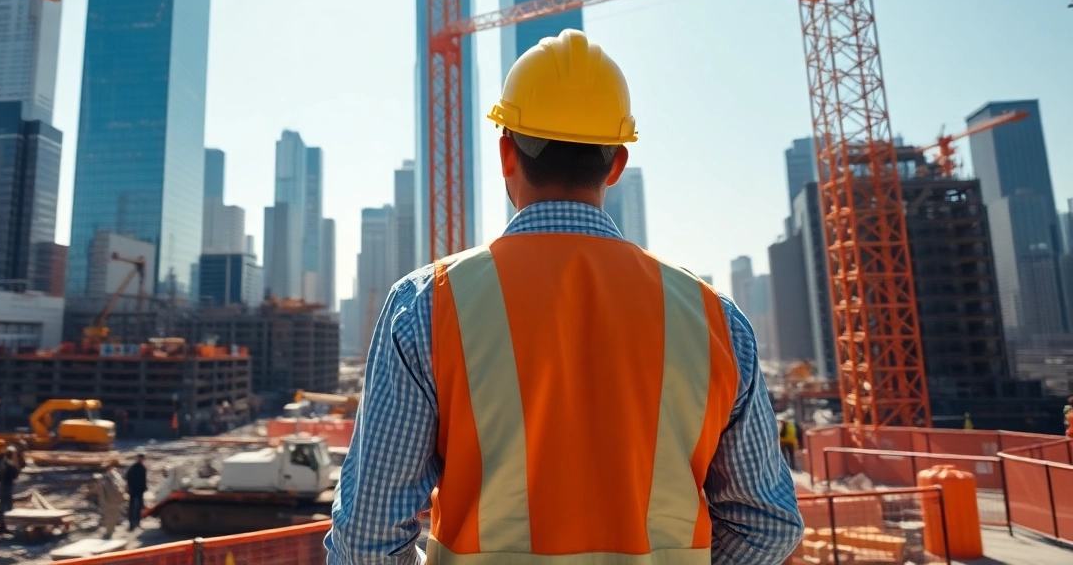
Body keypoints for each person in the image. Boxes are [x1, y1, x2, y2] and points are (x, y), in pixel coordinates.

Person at [325, 30, 803, 565]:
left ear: (506, 153)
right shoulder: (717, 320)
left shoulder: (426, 306)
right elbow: (768, 525)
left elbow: (366, 541)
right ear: (617, 164)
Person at [96, 461, 126, 538]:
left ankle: (110, 531)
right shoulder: (107, 477)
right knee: (110, 516)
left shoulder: (113, 477)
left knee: (112, 516)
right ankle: (110, 530)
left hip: (112, 500)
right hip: (110, 500)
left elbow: (120, 486)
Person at [0, 445, 20, 533]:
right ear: (12, 455)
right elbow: (15, 475)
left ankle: (2, 526)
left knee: (3, 506)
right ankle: (4, 526)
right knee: (6, 507)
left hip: (3, 487)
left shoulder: (3, 462)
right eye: (15, 454)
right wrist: (16, 462)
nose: (16, 456)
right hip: (7, 488)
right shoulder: (10, 464)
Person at [124, 450, 147, 531]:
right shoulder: (133, 468)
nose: (140, 460)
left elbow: (144, 479)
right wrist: (129, 488)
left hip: (140, 490)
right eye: (139, 458)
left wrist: (144, 487)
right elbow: (128, 478)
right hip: (133, 490)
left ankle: (138, 522)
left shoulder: (143, 468)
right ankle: (131, 524)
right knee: (132, 507)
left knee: (139, 507)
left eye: (142, 458)